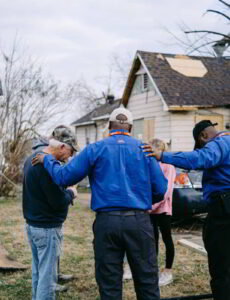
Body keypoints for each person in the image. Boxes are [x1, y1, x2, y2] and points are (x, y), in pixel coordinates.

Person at [32, 106, 168, 300]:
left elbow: (64, 177)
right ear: (129, 127)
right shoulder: (144, 149)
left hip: (107, 222)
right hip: (139, 222)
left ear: (109, 126)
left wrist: (47, 160)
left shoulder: (95, 148)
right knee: (147, 282)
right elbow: (161, 190)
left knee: (110, 285)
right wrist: (142, 200)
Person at [142, 120, 230, 300]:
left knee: (221, 264)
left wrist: (163, 156)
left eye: (201, 146)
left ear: (203, 136)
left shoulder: (219, 144)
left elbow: (199, 159)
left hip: (224, 210)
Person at [23, 126, 78, 300]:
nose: (71, 156)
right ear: (62, 146)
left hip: (33, 225)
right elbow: (57, 202)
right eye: (71, 151)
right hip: (46, 229)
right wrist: (71, 192)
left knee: (39, 272)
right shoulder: (46, 166)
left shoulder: (31, 158)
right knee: (47, 279)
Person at [148, 138, 176, 287]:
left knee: (167, 239)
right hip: (150, 210)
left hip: (163, 209)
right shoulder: (151, 165)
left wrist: (150, 206)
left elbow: (166, 192)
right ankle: (153, 270)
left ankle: (167, 271)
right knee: (152, 241)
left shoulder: (168, 166)